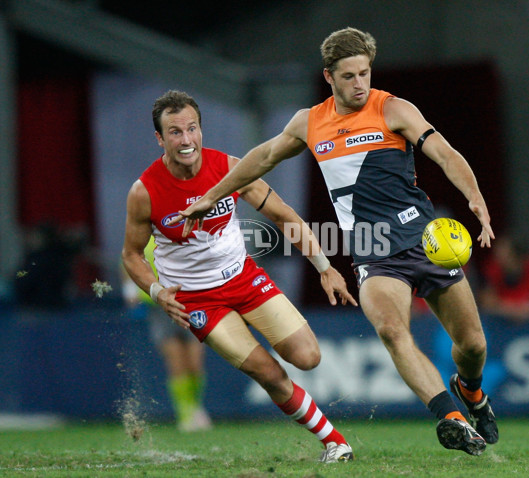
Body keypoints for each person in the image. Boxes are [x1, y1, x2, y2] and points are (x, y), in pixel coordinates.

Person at [173, 27, 498, 456]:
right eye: (349, 76)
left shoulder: (394, 109)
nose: (360, 83)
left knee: (473, 345)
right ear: (329, 76)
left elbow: (446, 154)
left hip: (426, 239)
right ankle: (450, 417)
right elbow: (261, 158)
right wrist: (211, 196)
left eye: (365, 73)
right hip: (372, 248)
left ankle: (470, 392)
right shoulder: (310, 122)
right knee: (391, 330)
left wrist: (473, 196)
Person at [122, 89, 357, 463]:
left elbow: (284, 216)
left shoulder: (231, 168)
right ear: (159, 138)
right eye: (175, 132)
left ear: (201, 130)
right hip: (197, 300)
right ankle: (334, 442)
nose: (186, 140)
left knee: (308, 356)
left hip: (244, 280)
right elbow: (131, 254)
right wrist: (155, 289)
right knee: (270, 374)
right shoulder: (144, 191)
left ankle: (328, 437)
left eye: (192, 129)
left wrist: (325, 268)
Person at [122, 235, 212, 431]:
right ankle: (185, 413)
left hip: (191, 303)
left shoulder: (186, 233)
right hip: (158, 308)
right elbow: (129, 260)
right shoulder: (142, 235)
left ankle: (196, 407)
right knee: (175, 360)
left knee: (195, 362)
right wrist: (129, 289)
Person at [478, 235, 529, 325]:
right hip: (501, 327)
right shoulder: (491, 270)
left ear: (516, 255)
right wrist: (511, 311)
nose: (498, 257)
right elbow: (486, 305)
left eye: (504, 254)